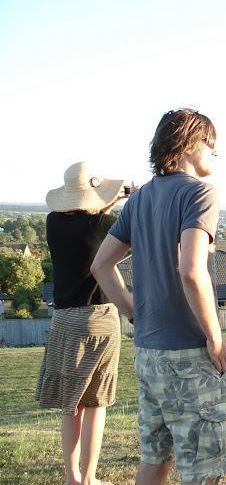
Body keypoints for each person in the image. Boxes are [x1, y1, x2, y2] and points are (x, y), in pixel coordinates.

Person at [91, 108, 226, 485]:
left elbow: (101, 265)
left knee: (155, 457)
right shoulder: (200, 193)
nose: (216, 154)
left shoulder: (138, 200)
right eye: (212, 145)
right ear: (190, 144)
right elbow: (190, 270)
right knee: (203, 470)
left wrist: (135, 314)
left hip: (148, 353)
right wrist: (215, 337)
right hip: (190, 353)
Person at [36, 160, 130, 485]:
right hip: (99, 319)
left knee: (71, 404)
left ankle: (72, 477)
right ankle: (90, 477)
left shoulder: (52, 222)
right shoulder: (105, 225)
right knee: (96, 403)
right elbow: (118, 231)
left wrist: (106, 200)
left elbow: (86, 215)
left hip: (63, 321)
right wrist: (120, 199)